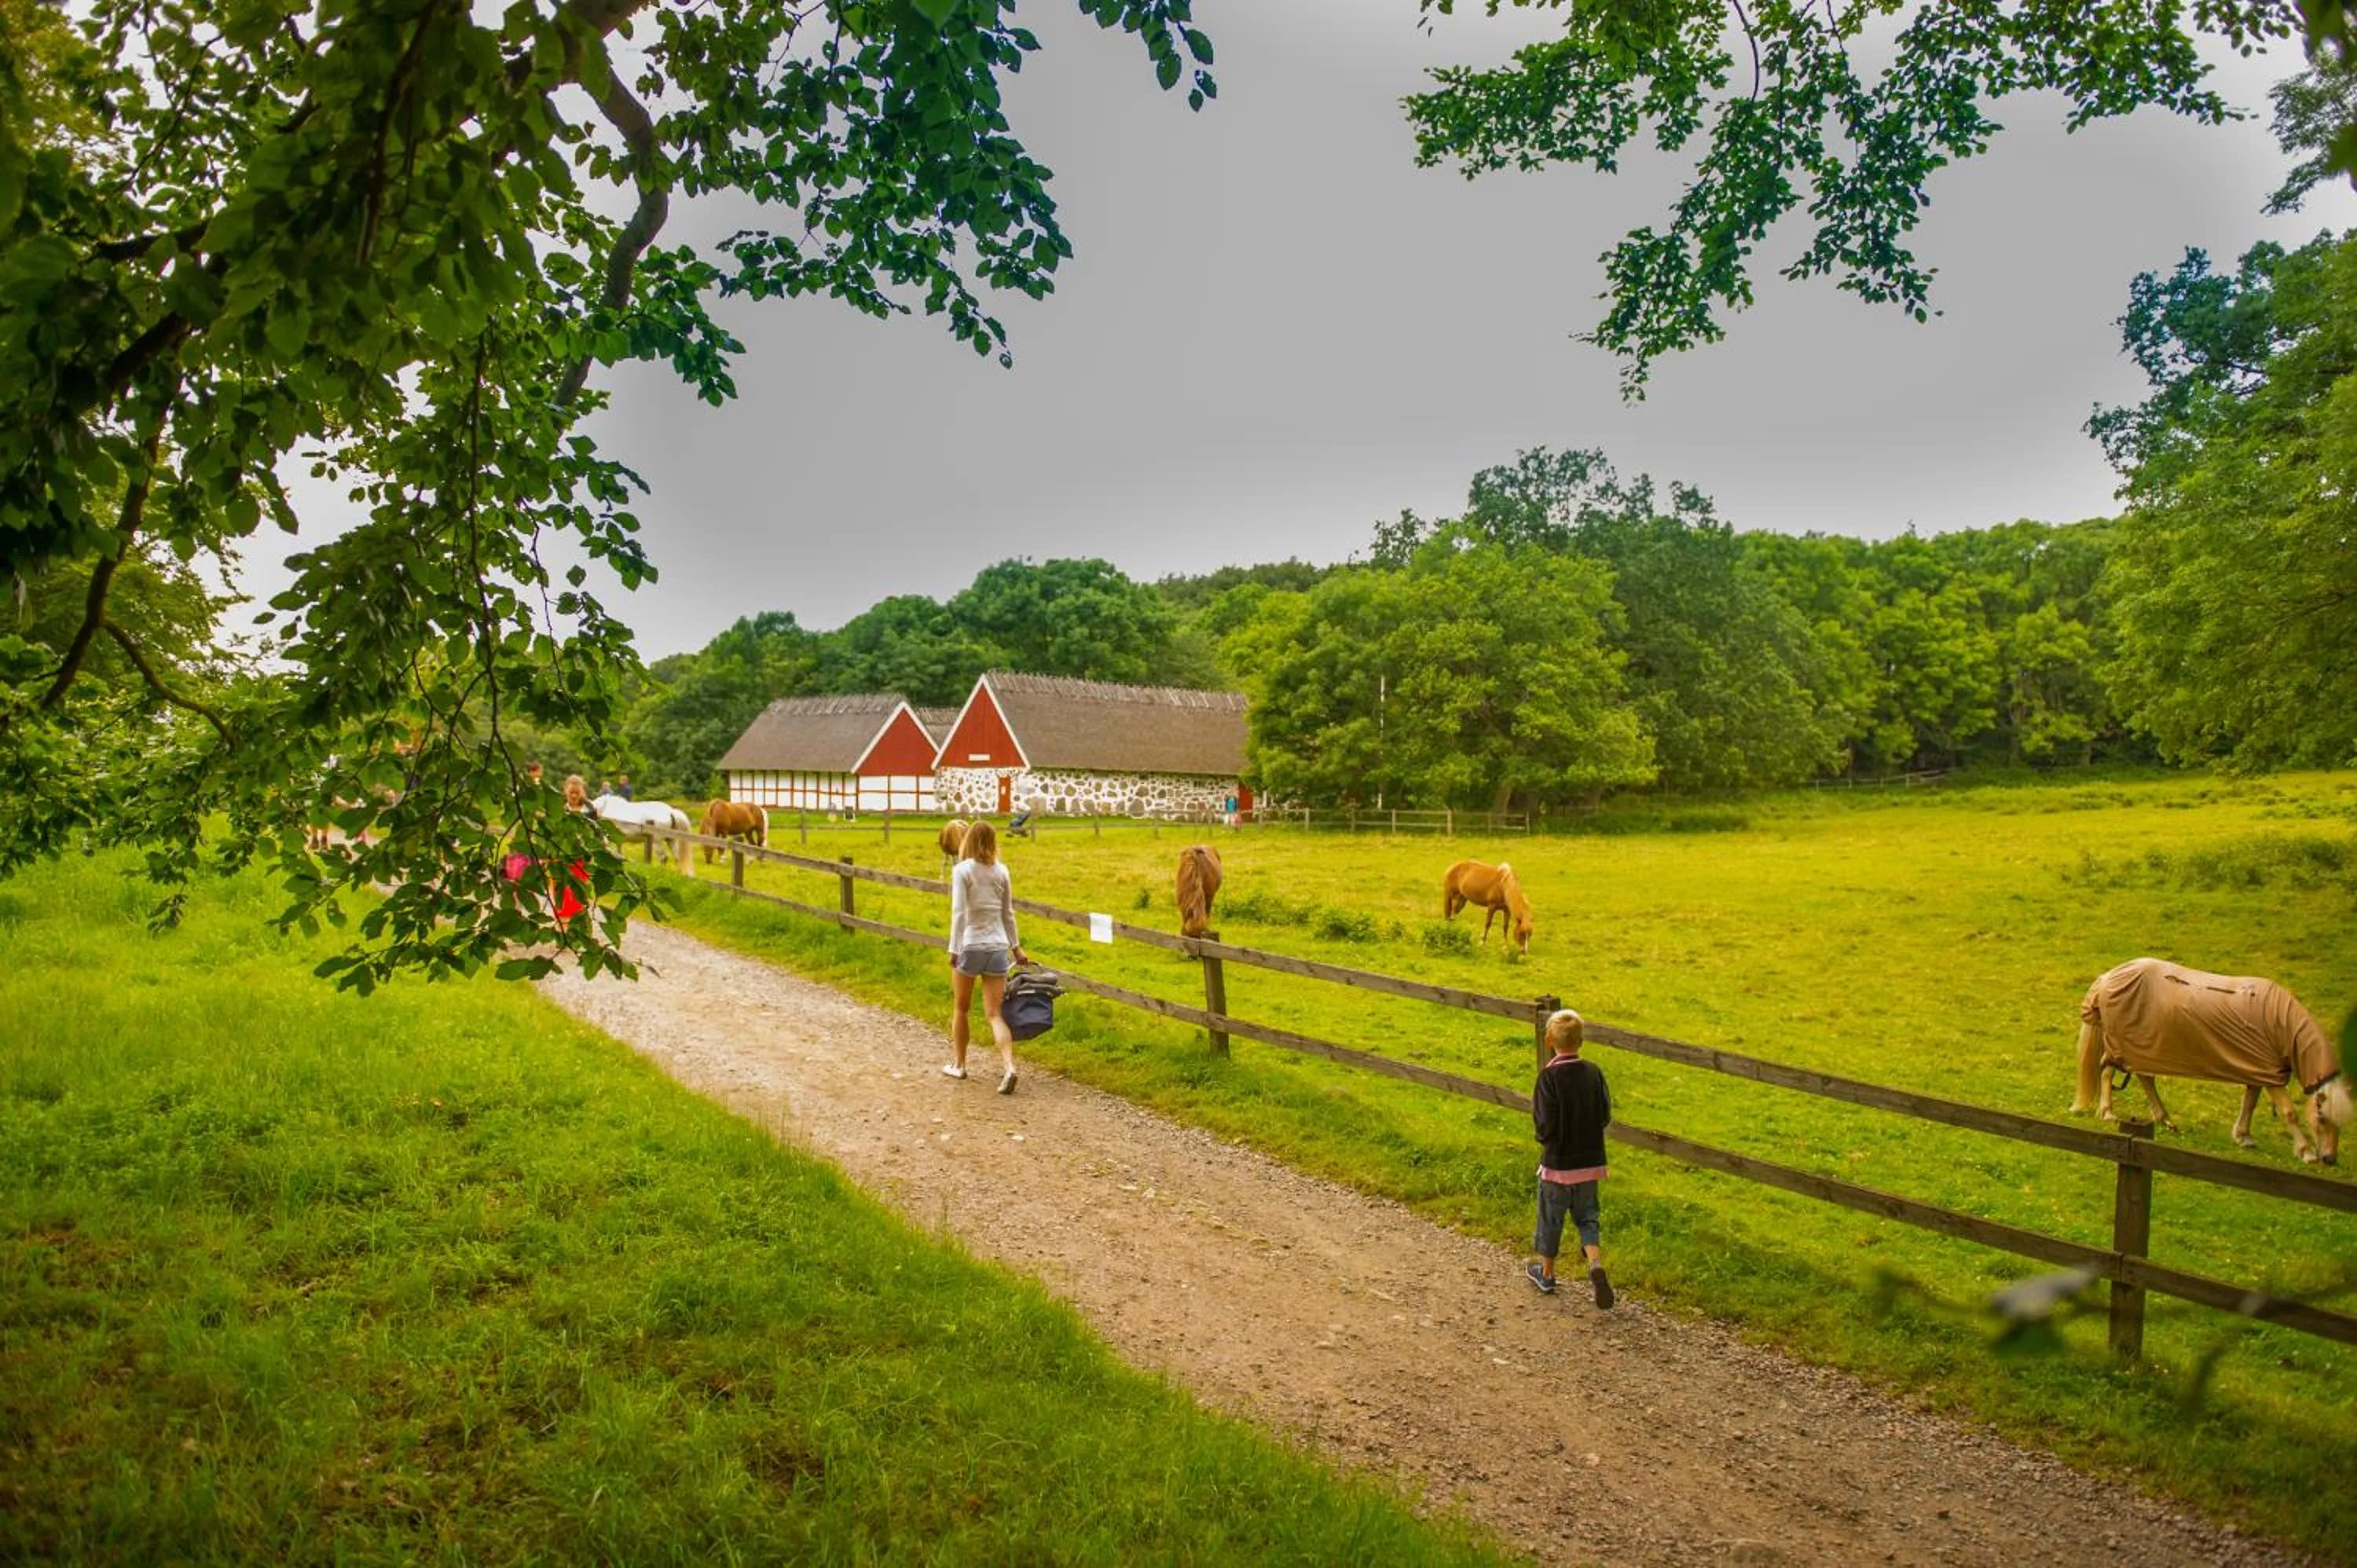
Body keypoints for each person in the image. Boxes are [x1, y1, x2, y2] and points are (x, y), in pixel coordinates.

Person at [1529, 1008, 1615, 1308]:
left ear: (1549, 1039)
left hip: (1558, 1165)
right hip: (1590, 1164)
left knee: (1551, 1218)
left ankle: (1547, 1272)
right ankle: (1594, 1263)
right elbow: (1604, 1114)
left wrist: (1545, 1141)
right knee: (1587, 1217)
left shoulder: (1549, 1077)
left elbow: (1544, 1123)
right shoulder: (1594, 1072)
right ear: (1581, 1041)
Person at [944, 819, 1027, 1094]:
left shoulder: (962, 870)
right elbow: (1008, 914)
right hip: (997, 948)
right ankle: (1009, 1067)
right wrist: (1016, 947)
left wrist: (953, 949)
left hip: (970, 945)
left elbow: (959, 914)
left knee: (961, 1008)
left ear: (968, 840)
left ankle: (960, 1065)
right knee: (994, 1013)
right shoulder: (1002, 871)